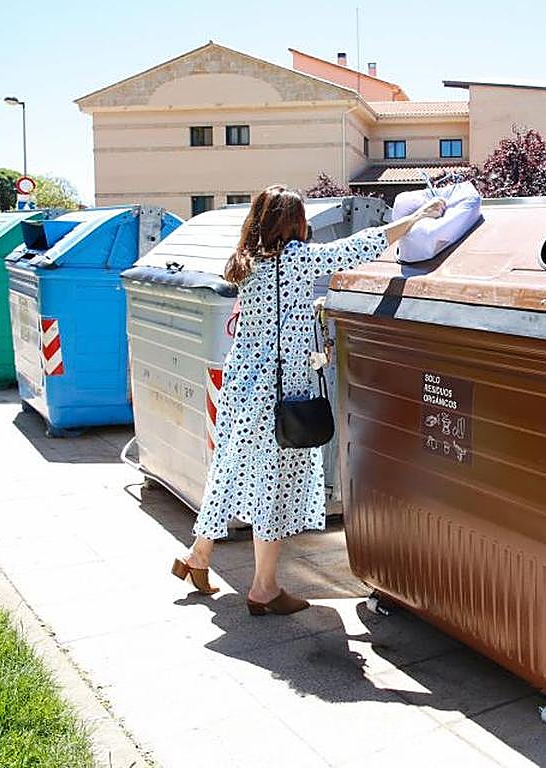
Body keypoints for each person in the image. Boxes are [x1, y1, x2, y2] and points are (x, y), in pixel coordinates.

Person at [171, 185, 446, 615]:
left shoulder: (246, 263)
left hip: (242, 390)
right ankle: (263, 588)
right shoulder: (297, 260)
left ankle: (196, 557)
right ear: (293, 223)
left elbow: (274, 314)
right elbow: (360, 246)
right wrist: (416, 218)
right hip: (279, 397)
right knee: (272, 487)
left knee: (228, 471)